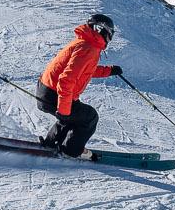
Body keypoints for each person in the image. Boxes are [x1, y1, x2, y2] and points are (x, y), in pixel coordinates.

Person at [37, 13, 121, 157]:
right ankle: (70, 151)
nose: (110, 38)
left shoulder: (85, 43)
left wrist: (109, 71)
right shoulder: (89, 48)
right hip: (54, 94)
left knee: (74, 115)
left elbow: (85, 69)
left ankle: (51, 143)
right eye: (110, 33)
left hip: (47, 91)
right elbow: (66, 79)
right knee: (90, 117)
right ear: (101, 29)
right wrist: (64, 109)